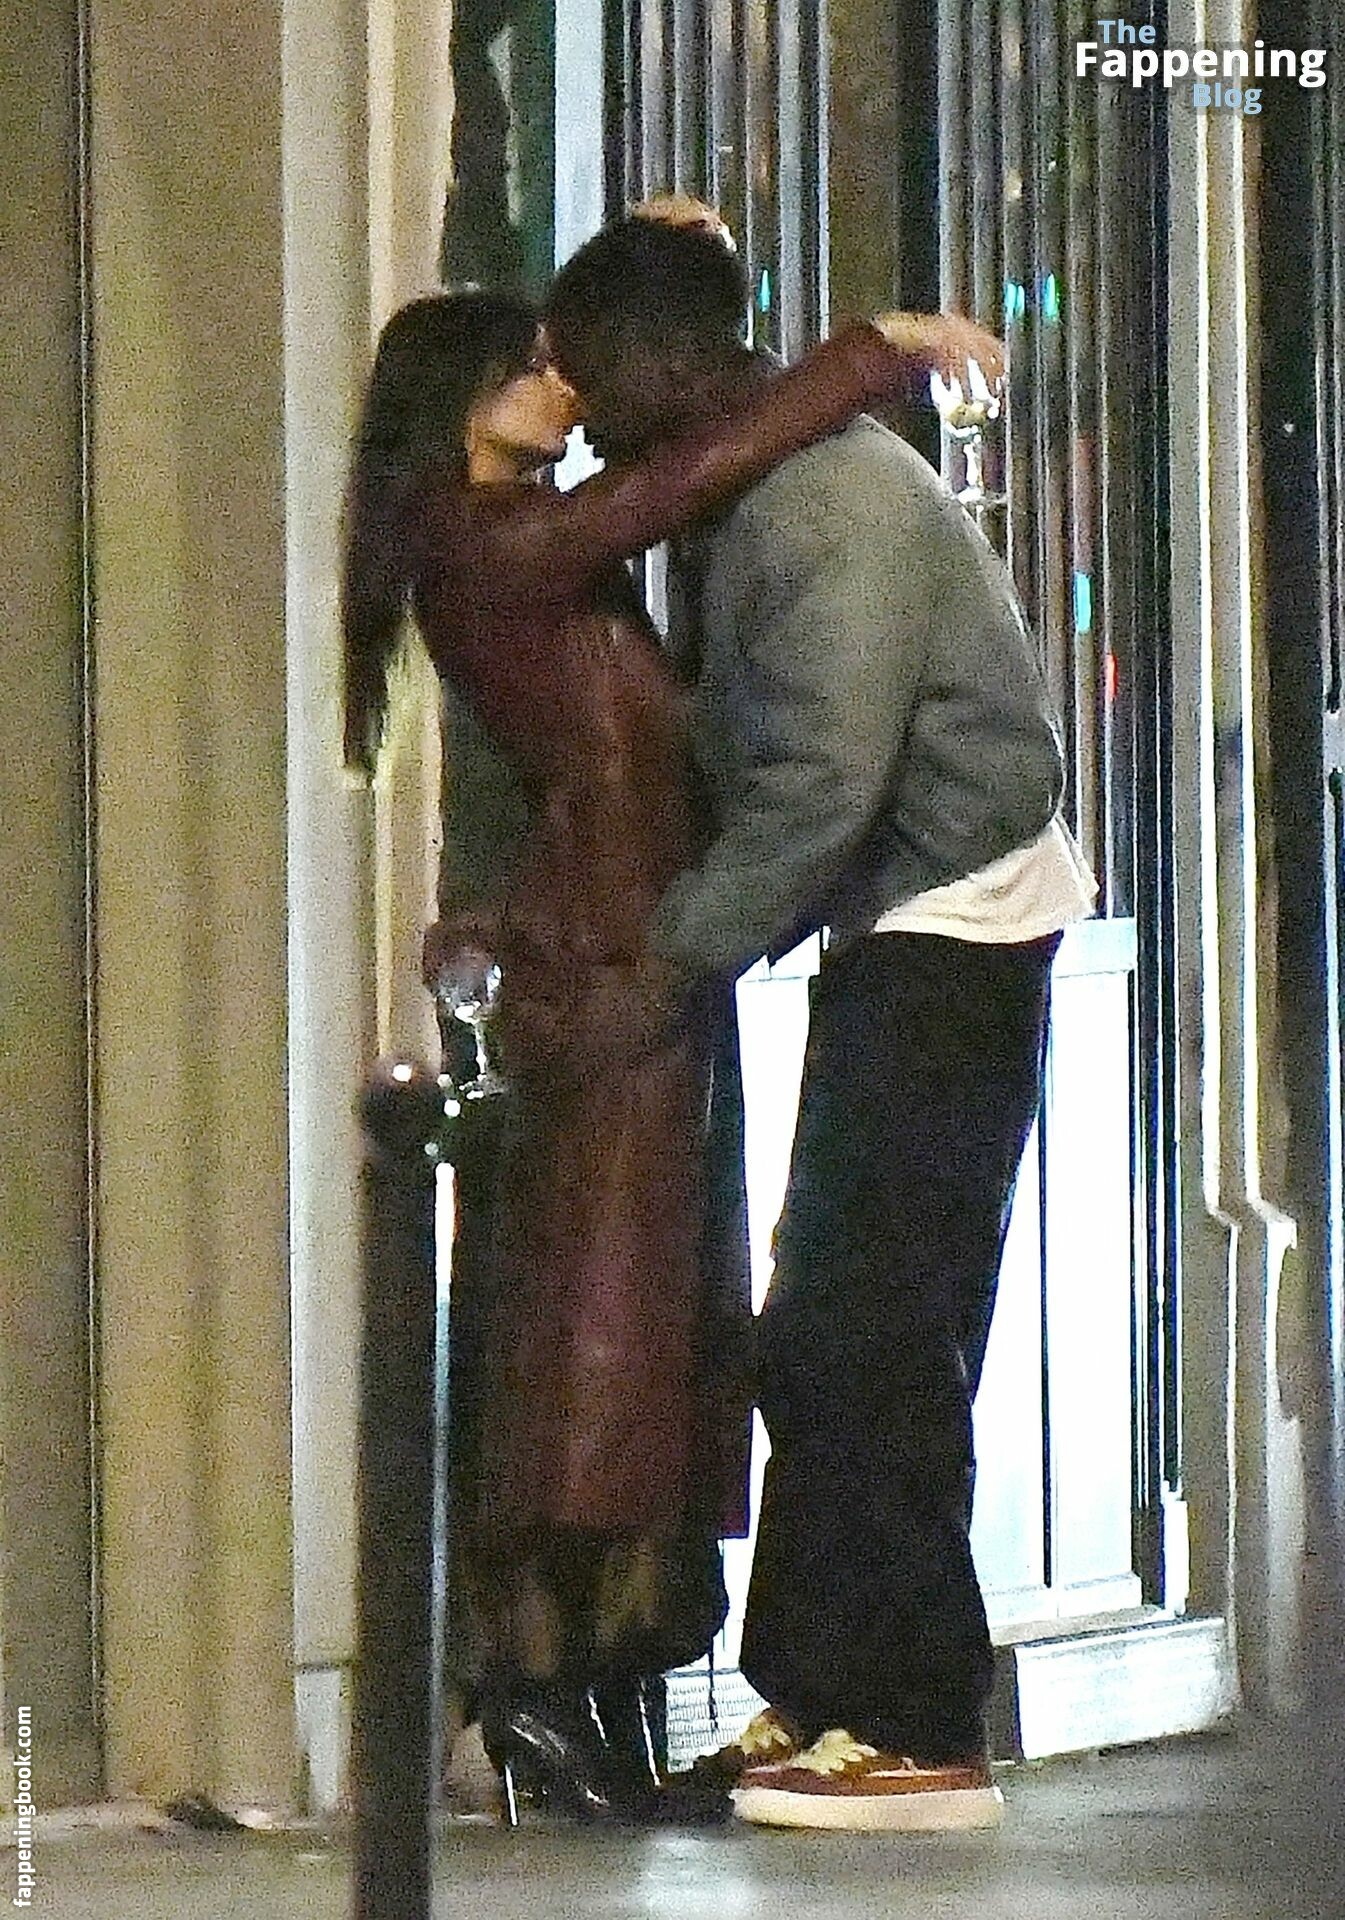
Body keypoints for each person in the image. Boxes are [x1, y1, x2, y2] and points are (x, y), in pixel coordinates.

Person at [342, 267, 996, 1824]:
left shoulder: (520, 534)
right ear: (464, 404)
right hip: (615, 963)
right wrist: (872, 353)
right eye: (533, 370)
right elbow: (681, 477)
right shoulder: (486, 538)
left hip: (650, 946)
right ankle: (541, 1679)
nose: (565, 391)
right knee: (602, 1336)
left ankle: (612, 1670)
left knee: (653, 1331)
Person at [543, 215, 1098, 1832]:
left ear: (667, 363)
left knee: (871, 1339)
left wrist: (666, 965)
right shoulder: (771, 494)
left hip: (953, 929)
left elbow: (820, 785)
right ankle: (822, 1698)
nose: (582, 420)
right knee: (827, 1333)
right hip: (913, 924)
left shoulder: (820, 503)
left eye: (591, 376)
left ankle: (915, 1724)